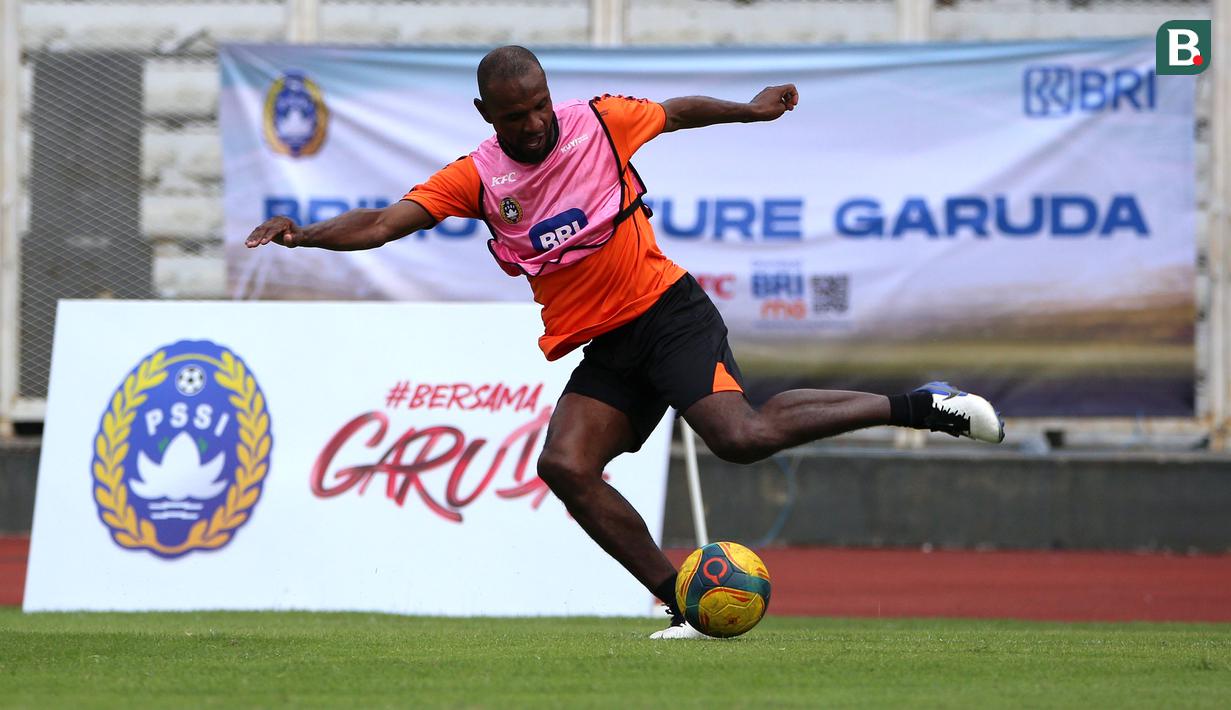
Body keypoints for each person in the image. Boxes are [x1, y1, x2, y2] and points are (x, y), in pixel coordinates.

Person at [246, 45, 1005, 639]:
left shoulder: (598, 120)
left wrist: (748, 111)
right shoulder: (476, 178)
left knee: (738, 437)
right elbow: (382, 224)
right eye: (515, 115)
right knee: (566, 467)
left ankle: (921, 405)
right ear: (487, 113)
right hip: (608, 347)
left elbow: (674, 112)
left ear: (550, 95)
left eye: (538, 104)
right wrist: (304, 235)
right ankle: (686, 604)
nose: (534, 122)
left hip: (667, 315)